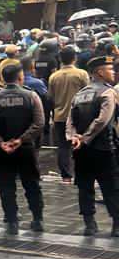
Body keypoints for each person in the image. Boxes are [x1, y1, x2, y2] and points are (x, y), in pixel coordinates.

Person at [0, 61, 45, 235]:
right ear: (20, 77)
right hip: (25, 149)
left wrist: (1, 142)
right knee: (31, 184)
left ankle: (11, 222)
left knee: (6, 185)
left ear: (2, 78)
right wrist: (21, 139)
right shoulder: (31, 96)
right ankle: (37, 219)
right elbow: (39, 123)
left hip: (2, 150)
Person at [66, 54, 119, 237]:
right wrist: (86, 137)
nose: (114, 72)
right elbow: (102, 120)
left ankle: (90, 224)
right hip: (104, 148)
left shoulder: (80, 94)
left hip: (81, 150)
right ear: (100, 72)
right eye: (110, 69)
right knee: (111, 187)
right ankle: (116, 224)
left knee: (84, 186)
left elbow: (70, 120)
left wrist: (74, 138)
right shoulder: (108, 92)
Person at [47, 45, 88, 183]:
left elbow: (50, 98)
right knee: (79, 144)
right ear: (74, 58)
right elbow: (87, 94)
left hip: (60, 116)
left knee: (63, 147)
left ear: (60, 59)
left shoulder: (53, 76)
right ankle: (81, 174)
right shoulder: (81, 74)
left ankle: (66, 176)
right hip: (79, 116)